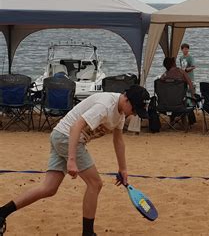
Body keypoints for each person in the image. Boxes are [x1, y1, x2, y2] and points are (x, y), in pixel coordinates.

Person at [0, 85, 150, 236]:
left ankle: (2, 213)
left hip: (60, 136)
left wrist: (123, 168)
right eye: (135, 109)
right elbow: (76, 127)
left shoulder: (120, 113)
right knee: (95, 184)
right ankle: (88, 233)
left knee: (49, 188)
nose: (135, 114)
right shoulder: (105, 105)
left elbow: (118, 141)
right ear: (126, 98)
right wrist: (71, 160)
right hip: (66, 138)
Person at [160, 57, 196, 124]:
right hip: (179, 103)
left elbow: (160, 83)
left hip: (166, 103)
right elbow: (190, 84)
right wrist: (193, 96)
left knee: (172, 95)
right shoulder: (181, 72)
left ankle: (172, 120)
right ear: (173, 63)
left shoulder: (165, 75)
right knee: (185, 101)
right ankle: (184, 122)